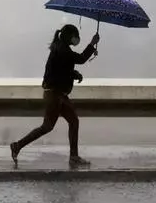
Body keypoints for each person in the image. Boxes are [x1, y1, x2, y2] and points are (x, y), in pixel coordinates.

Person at [10, 24, 100, 167]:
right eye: (75, 36)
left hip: (58, 95)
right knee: (49, 126)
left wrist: (74, 74)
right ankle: (17, 146)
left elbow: (62, 70)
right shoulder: (62, 50)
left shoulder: (60, 48)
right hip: (55, 95)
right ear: (69, 37)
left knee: (70, 122)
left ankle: (73, 157)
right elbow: (81, 59)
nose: (77, 39)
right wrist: (92, 44)